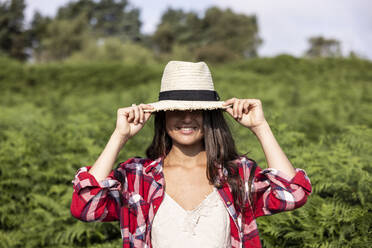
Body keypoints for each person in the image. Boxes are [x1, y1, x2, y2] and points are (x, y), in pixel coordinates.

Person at [70, 61, 312, 248]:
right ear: (163, 116)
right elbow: (86, 207)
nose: (186, 118)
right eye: (176, 110)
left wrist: (260, 127)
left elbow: (292, 193)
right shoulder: (137, 178)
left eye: (196, 110)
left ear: (209, 115)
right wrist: (119, 136)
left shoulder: (236, 173)